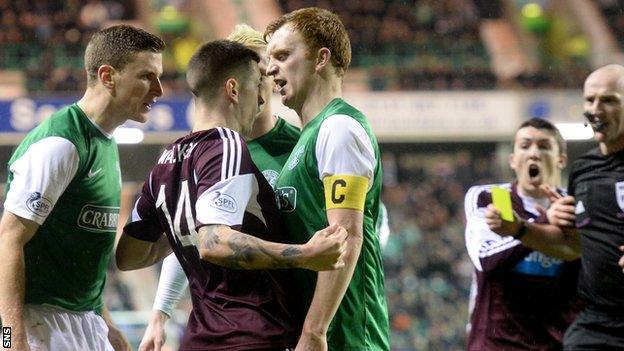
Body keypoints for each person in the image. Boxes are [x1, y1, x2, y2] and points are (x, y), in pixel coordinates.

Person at [115, 40, 348, 351]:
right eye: (257, 86)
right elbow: (214, 243)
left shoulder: (167, 160)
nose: (263, 100)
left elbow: (129, 255)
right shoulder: (227, 144)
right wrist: (306, 255)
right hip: (253, 334)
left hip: (200, 339)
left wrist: (186, 230)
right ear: (234, 90)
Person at [137, 24, 302, 351]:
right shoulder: (210, 150)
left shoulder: (299, 149)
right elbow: (189, 236)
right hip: (237, 327)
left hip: (286, 322)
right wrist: (161, 312)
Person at [0, 24, 165, 351]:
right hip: (42, 323)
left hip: (83, 320)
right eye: (146, 76)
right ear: (108, 76)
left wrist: (106, 323)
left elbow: (81, 260)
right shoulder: (61, 143)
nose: (158, 89)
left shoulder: (105, 141)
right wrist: (12, 338)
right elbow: (8, 239)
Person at [265, 7, 389, 350]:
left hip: (345, 336)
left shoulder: (339, 129)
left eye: (283, 55)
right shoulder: (308, 136)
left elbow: (346, 235)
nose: (270, 67)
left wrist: (314, 332)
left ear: (321, 59)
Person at [464, 118, 582, 350]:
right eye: (525, 145)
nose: (534, 153)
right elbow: (486, 259)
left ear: (561, 160)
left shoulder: (575, 206)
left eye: (544, 146)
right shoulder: (491, 198)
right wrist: (545, 220)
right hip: (496, 344)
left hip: (556, 343)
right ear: (513, 160)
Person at [545, 64, 624, 350]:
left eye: (609, 100)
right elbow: (577, 242)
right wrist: (558, 220)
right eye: (590, 100)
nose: (596, 108)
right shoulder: (583, 170)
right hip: (597, 320)